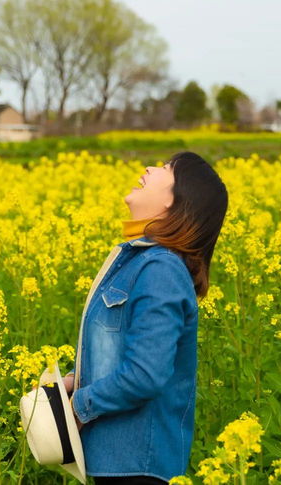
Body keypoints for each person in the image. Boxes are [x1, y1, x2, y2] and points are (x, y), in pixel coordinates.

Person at [63, 151, 228, 484]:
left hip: (138, 465)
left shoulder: (160, 269)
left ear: (175, 201)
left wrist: (79, 406)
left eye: (166, 168)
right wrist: (74, 381)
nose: (150, 168)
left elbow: (146, 374)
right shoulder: (140, 260)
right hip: (117, 460)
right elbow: (124, 355)